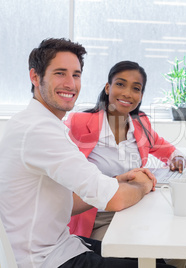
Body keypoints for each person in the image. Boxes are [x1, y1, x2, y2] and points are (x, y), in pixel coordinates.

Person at [0, 38, 173, 268]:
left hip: (61, 244)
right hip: (45, 260)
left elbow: (66, 203)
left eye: (76, 75)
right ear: (35, 77)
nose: (70, 84)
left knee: (151, 255)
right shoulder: (40, 130)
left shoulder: (40, 124)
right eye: (60, 73)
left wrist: (115, 180)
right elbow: (116, 199)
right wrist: (144, 183)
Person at [66, 60, 186, 241]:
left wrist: (177, 157)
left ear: (141, 95)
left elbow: (163, 146)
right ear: (108, 87)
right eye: (120, 84)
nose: (127, 93)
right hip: (98, 217)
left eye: (136, 88)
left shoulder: (140, 123)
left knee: (180, 238)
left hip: (135, 210)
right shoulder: (80, 122)